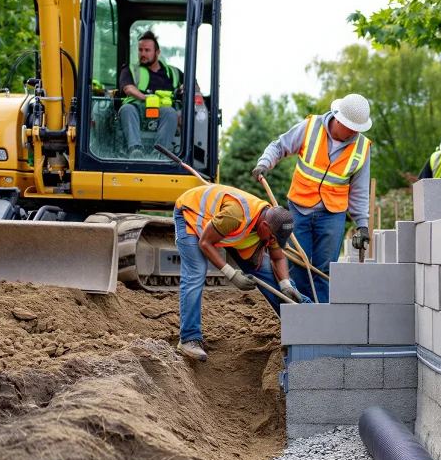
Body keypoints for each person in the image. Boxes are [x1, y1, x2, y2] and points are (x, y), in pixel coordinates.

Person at [253, 93, 372, 303]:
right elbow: (280, 146)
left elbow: (360, 191)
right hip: (299, 208)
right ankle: (301, 318)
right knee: (298, 266)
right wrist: (265, 163)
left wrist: (362, 225)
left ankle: (321, 321)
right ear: (338, 119)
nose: (354, 132)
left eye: (358, 128)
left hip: (332, 214)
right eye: (351, 126)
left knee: (324, 269)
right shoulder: (311, 127)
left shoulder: (361, 148)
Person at [173, 183, 305, 361]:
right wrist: (231, 274)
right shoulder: (235, 215)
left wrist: (286, 284)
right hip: (192, 216)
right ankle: (189, 338)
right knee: (196, 273)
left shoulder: (273, 225)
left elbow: (278, 257)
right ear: (265, 226)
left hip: (231, 231)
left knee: (270, 276)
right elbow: (205, 243)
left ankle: (305, 327)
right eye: (273, 238)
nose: (274, 242)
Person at [117, 31, 184, 159]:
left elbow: (195, 87)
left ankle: (159, 154)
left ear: (157, 52)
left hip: (163, 112)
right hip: (138, 109)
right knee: (127, 109)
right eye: (140, 50)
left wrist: (184, 88)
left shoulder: (174, 72)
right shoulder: (130, 69)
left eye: (147, 50)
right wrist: (143, 98)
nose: (143, 54)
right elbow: (128, 88)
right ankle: (135, 151)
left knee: (171, 113)